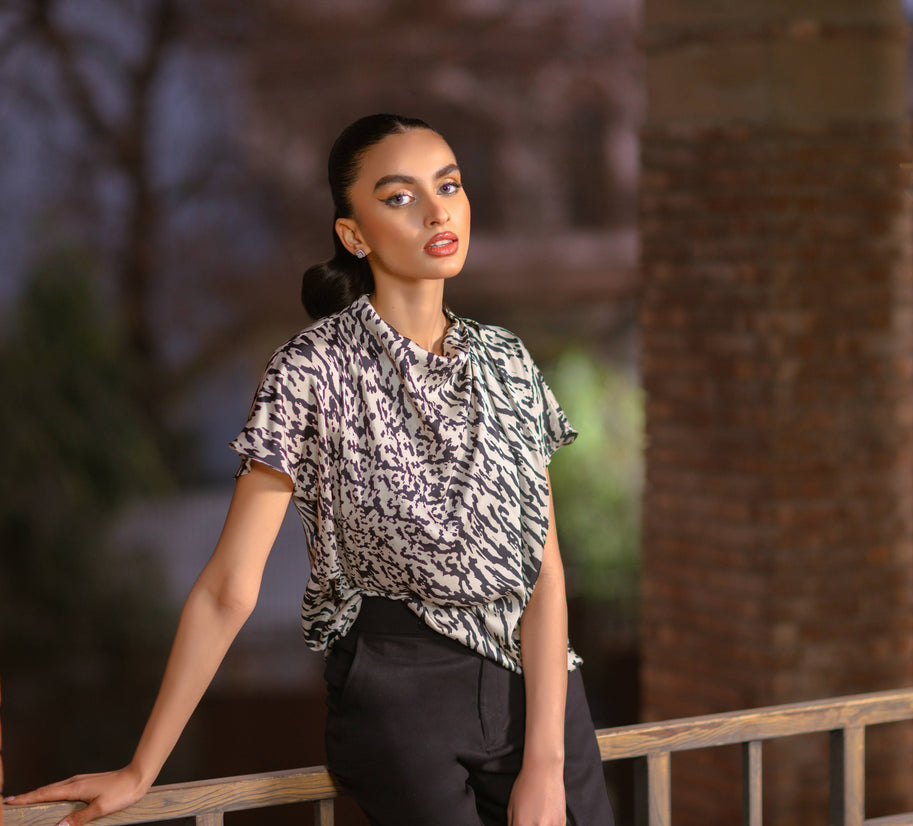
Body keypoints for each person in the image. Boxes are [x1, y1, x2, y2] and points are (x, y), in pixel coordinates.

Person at [4, 114, 615, 826]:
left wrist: (543, 760)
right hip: (401, 689)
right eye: (399, 196)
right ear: (353, 234)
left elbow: (543, 569)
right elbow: (230, 586)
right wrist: (143, 767)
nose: (437, 208)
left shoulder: (507, 360)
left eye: (448, 184)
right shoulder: (311, 369)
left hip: (540, 694)